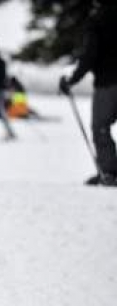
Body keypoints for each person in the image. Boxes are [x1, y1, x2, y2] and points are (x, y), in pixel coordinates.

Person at [59, 0, 117, 187]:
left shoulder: (98, 21)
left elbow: (89, 55)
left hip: (108, 84)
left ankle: (109, 172)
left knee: (101, 127)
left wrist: (72, 79)